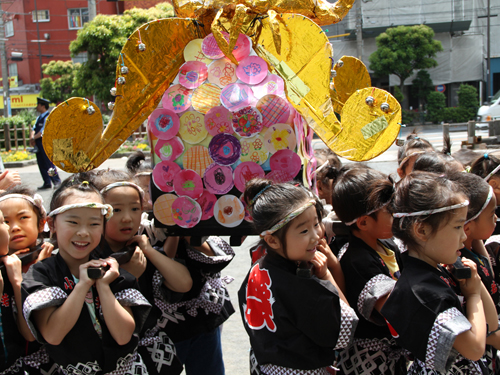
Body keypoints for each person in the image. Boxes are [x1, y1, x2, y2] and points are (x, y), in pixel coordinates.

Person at [21, 174, 152, 374]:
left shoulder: (113, 269)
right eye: (73, 222)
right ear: (53, 224)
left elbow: (124, 335)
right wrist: (82, 285)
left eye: (94, 224)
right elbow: (53, 334)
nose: (84, 232)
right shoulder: (42, 274)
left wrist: (103, 286)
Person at [239, 179, 357, 374]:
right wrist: (326, 275)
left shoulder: (257, 269)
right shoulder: (295, 285)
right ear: (272, 240)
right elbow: (344, 331)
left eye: (316, 223)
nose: (316, 236)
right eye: (303, 230)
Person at [381, 171, 495, 374]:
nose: (463, 235)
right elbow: (474, 349)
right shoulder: (424, 292)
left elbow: (491, 325)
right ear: (422, 230)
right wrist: (474, 294)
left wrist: (475, 283)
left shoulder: (437, 269)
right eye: (458, 226)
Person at [329, 164, 406, 375]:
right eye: (390, 210)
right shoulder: (357, 261)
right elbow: (396, 309)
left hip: (392, 356)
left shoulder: (387, 245)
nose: (397, 213)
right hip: (371, 363)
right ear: (363, 222)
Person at [0, 186, 54, 267]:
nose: (15, 228)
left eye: (23, 218)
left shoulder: (58, 261)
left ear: (41, 224)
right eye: (5, 222)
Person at [29, 97, 61, 190]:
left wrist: (33, 137)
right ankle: (47, 182)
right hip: (38, 143)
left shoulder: (48, 117)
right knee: (41, 163)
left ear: (43, 106)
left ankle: (56, 180)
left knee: (49, 163)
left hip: (45, 143)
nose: (37, 107)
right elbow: (34, 129)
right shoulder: (39, 117)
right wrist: (32, 138)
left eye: (38, 105)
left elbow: (43, 131)